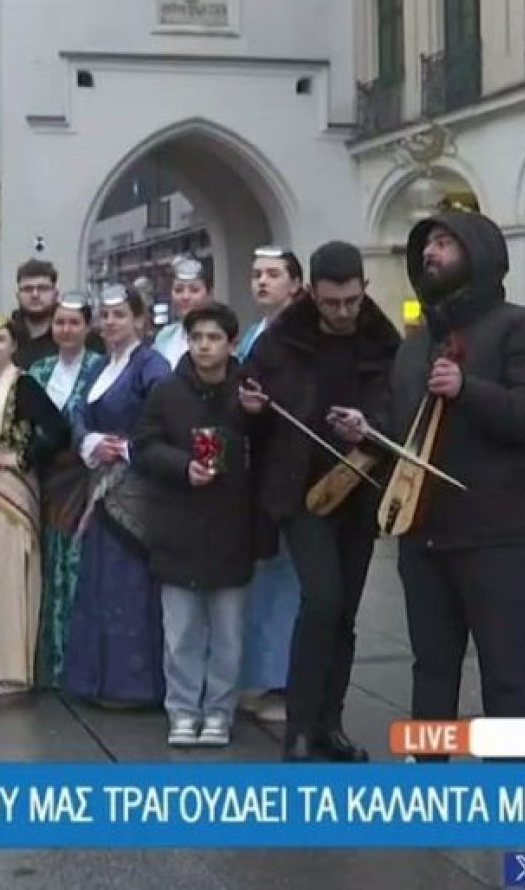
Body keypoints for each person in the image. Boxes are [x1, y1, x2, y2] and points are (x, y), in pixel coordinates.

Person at [380, 213, 525, 753]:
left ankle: (507, 785)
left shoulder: (520, 328)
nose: (430, 254)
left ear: (478, 254)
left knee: (504, 668)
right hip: (425, 534)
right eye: (427, 245)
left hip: (499, 534)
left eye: (444, 243)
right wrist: (369, 432)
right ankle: (429, 774)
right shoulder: (415, 345)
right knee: (431, 669)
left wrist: (468, 390)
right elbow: (405, 427)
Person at [240, 241, 400, 762]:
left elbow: (400, 411)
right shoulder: (280, 339)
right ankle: (300, 728)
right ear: (311, 292)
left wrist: (369, 425)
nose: (343, 312)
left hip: (358, 487)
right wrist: (251, 408)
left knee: (345, 614)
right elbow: (251, 418)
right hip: (300, 492)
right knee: (322, 600)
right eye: (332, 303)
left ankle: (330, 724)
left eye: (352, 300)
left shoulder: (382, 339)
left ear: (363, 289)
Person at [136, 302, 254, 747]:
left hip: (231, 527)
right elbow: (144, 445)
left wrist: (254, 416)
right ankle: (183, 710)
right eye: (197, 338)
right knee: (181, 631)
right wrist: (182, 466)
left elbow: (266, 446)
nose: (204, 346)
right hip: (178, 525)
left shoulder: (248, 390)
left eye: (214, 338)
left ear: (231, 343)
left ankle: (219, 712)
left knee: (228, 632)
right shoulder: (167, 391)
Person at [63, 285, 170, 706]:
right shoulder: (98, 368)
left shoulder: (152, 366)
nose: (110, 323)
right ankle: (97, 680)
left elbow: (163, 421)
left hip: (137, 492)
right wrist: (88, 441)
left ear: (140, 320)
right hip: (101, 488)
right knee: (99, 585)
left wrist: (126, 448)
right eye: (104, 315)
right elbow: (77, 414)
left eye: (119, 314)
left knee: (132, 586)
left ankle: (136, 685)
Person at [0, 314, 70, 694]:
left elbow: (58, 430)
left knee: (8, 572)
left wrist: (19, 458)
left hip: (12, 487)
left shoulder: (24, 385)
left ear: (13, 345)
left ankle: (12, 668)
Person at [237, 246, 305, 726]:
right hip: (255, 473)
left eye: (273, 274)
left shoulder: (301, 336)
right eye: (257, 274)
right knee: (263, 579)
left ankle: (284, 680)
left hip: (290, 474)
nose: (262, 282)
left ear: (295, 284)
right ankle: (260, 675)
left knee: (286, 580)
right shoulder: (254, 333)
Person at [26, 293, 105, 689]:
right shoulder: (39, 370)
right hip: (44, 478)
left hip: (83, 477)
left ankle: (78, 664)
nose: (67, 330)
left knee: (76, 567)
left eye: (75, 323)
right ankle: (49, 663)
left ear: (88, 327)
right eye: (60, 323)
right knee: (47, 566)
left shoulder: (99, 368)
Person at [11, 259, 103, 369]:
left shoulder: (81, 336)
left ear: (56, 293)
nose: (35, 294)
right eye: (27, 289)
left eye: (43, 288)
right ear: (18, 295)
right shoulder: (6, 336)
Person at [152, 258, 213, 368]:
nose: (185, 297)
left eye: (194, 290)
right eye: (179, 290)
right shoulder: (165, 336)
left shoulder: (218, 335)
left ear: (209, 294)